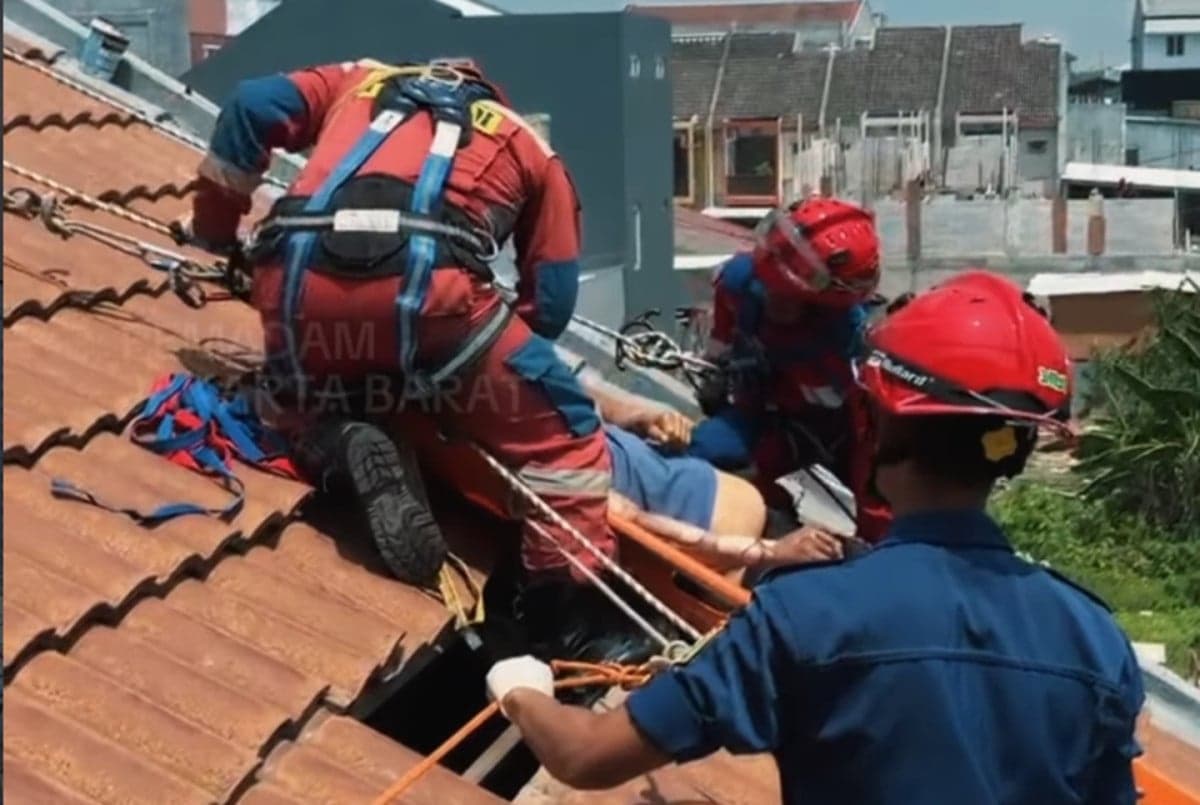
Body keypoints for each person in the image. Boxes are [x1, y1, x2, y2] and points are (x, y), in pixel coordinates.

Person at [485, 270, 1145, 803]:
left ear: (883, 421)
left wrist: (522, 690)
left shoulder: (808, 616)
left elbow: (586, 756)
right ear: (1015, 451)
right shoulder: (1096, 641)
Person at [177, 57, 615, 588]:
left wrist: (215, 232)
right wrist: (463, 382)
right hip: (433, 300)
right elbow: (549, 304)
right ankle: (559, 610)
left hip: (295, 282)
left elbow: (251, 104)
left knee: (293, 400)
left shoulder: (357, 80)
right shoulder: (530, 146)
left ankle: (326, 434)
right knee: (567, 447)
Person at [687, 195, 893, 542]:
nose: (774, 299)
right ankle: (768, 517)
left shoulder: (843, 335)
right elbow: (720, 342)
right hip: (766, 414)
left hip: (842, 427)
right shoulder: (739, 281)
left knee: (882, 510)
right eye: (771, 288)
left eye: (786, 295)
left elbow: (833, 400)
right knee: (707, 452)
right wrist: (717, 377)